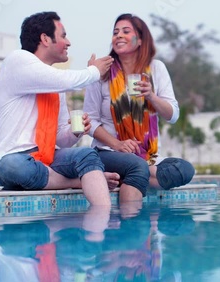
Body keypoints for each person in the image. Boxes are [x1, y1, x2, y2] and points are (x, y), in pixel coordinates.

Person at [0, 11, 119, 206]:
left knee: (86, 154)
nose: (69, 42)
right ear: (45, 39)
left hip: (47, 160)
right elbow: (68, 80)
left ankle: (101, 222)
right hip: (13, 163)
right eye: (63, 35)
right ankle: (75, 182)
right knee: (13, 165)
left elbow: (60, 139)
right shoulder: (17, 60)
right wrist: (95, 71)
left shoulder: (55, 86)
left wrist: (76, 132)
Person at [84, 13, 195, 203]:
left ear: (141, 40)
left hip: (148, 154)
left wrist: (151, 96)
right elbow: (90, 121)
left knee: (184, 170)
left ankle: (128, 176)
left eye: (126, 31)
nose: (118, 35)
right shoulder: (101, 73)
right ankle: (136, 176)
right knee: (138, 167)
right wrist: (117, 144)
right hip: (108, 152)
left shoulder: (156, 69)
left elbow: (173, 115)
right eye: (115, 32)